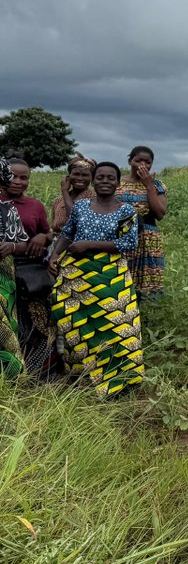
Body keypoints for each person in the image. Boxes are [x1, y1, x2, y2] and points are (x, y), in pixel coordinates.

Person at [46, 161, 142, 396]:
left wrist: (90, 244)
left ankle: (119, 381)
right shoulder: (81, 207)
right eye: (101, 177)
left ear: (118, 182)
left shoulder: (126, 211)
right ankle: (83, 377)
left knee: (115, 323)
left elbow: (130, 243)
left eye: (111, 178)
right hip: (76, 274)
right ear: (94, 180)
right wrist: (55, 256)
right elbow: (67, 233)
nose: (105, 181)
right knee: (75, 321)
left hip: (110, 276)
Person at [1, 157, 55, 373]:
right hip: (4, 273)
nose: (18, 181)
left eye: (24, 178)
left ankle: (37, 371)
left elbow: (48, 233)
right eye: (13, 175)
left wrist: (43, 237)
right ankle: (11, 370)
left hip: (29, 272)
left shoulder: (35, 206)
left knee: (35, 323)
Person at [116, 145, 168, 299]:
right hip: (121, 232)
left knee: (147, 273)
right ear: (130, 160)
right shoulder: (117, 182)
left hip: (147, 234)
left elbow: (160, 213)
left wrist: (149, 185)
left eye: (148, 162)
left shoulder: (157, 185)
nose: (143, 165)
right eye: (138, 160)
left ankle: (148, 307)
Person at [0, 156, 30, 378]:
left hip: (3, 274)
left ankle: (11, 376)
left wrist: (11, 246)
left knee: (6, 327)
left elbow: (23, 242)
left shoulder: (7, 210)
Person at [50, 154, 95, 233]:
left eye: (85, 175)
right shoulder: (58, 201)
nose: (80, 178)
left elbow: (74, 219)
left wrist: (64, 191)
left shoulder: (94, 198)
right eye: (76, 174)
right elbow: (53, 226)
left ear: (91, 178)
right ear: (68, 176)